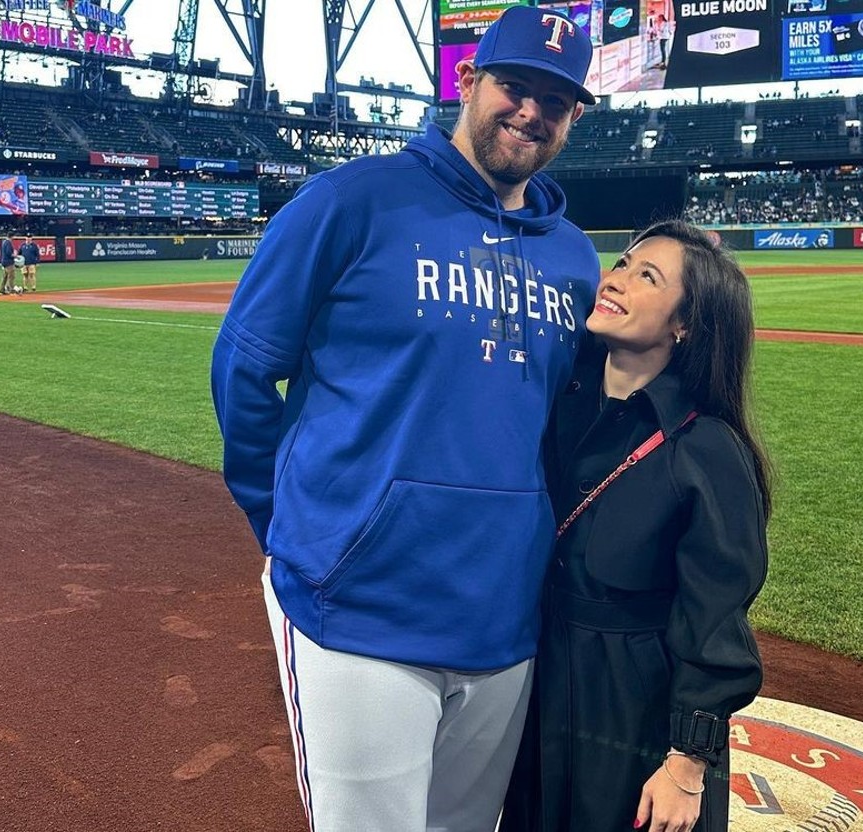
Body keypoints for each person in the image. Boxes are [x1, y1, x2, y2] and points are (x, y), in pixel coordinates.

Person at [210, 6, 597, 832]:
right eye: (515, 86)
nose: (531, 111)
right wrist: (291, 525)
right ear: (469, 82)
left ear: (574, 117)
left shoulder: (573, 256)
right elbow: (245, 370)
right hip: (358, 605)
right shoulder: (352, 202)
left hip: (504, 613)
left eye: (555, 100)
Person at [500, 220, 771, 832]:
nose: (616, 280)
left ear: (686, 324)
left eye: (647, 276)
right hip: (539, 685)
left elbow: (715, 618)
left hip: (634, 710)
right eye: (622, 264)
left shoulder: (708, 450)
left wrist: (686, 764)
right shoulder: (555, 407)